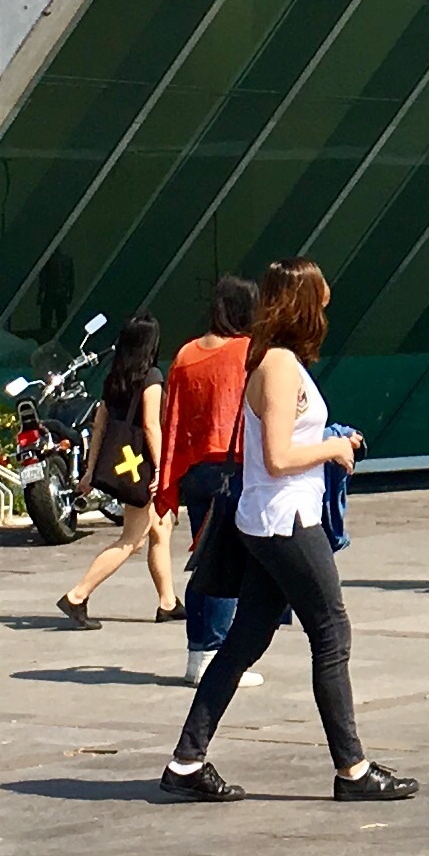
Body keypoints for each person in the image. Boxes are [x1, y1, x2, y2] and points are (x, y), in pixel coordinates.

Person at [159, 260, 416, 802]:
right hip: (285, 522)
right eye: (320, 301)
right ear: (301, 305)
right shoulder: (277, 364)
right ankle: (352, 769)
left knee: (245, 640)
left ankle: (186, 760)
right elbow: (277, 456)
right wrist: (335, 448)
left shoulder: (280, 361)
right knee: (331, 633)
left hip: (272, 519)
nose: (326, 311)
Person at [149, 276, 259, 655]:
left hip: (194, 470)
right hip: (236, 469)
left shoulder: (185, 354)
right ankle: (215, 650)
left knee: (205, 560)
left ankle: (198, 650)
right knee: (227, 565)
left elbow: (174, 418)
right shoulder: (249, 352)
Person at [57, 314, 179, 626]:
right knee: (131, 540)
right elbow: (152, 426)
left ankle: (167, 601)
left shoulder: (114, 378)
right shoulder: (151, 377)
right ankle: (77, 595)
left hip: (124, 465)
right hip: (143, 467)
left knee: (161, 528)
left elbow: (99, 426)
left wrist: (89, 470)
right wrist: (164, 470)